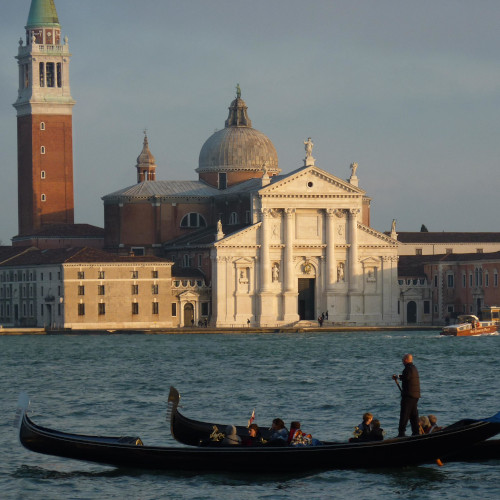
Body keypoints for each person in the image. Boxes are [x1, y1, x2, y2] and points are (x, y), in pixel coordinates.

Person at [393, 353, 421, 437]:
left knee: (404, 414)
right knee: (413, 415)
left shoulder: (407, 369)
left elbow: (406, 377)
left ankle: (401, 433)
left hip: (408, 395)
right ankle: (416, 432)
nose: (402, 362)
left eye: (402, 360)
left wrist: (397, 377)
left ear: (406, 360)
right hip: (415, 395)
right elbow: (407, 376)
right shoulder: (414, 368)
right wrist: (398, 376)